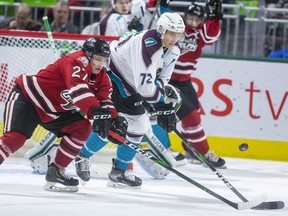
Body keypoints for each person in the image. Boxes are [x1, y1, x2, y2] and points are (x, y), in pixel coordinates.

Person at [0, 37, 127, 192]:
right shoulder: (74, 61)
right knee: (15, 139)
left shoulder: (103, 79)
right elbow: (79, 92)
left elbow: (104, 101)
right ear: (87, 56)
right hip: (29, 98)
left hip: (55, 111)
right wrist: (96, 113)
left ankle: (57, 171)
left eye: (104, 60)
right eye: (97, 59)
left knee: (82, 128)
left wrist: (114, 122)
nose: (100, 64)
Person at [74, 12, 185, 187]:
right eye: (171, 33)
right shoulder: (148, 45)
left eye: (178, 34)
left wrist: (160, 101)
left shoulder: (174, 50)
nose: (174, 38)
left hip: (130, 82)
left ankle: (119, 171)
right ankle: (84, 158)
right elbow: (143, 87)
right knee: (114, 125)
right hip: (114, 75)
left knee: (137, 125)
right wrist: (160, 105)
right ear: (161, 30)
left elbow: (163, 78)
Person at [149, 0, 226, 169]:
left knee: (193, 114)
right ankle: (204, 153)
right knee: (191, 116)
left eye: (197, 19)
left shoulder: (199, 33)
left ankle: (190, 149)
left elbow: (212, 35)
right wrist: (164, 5)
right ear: (185, 16)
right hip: (168, 81)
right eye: (190, 17)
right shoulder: (176, 30)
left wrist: (214, 16)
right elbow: (163, 22)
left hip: (185, 81)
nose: (193, 22)